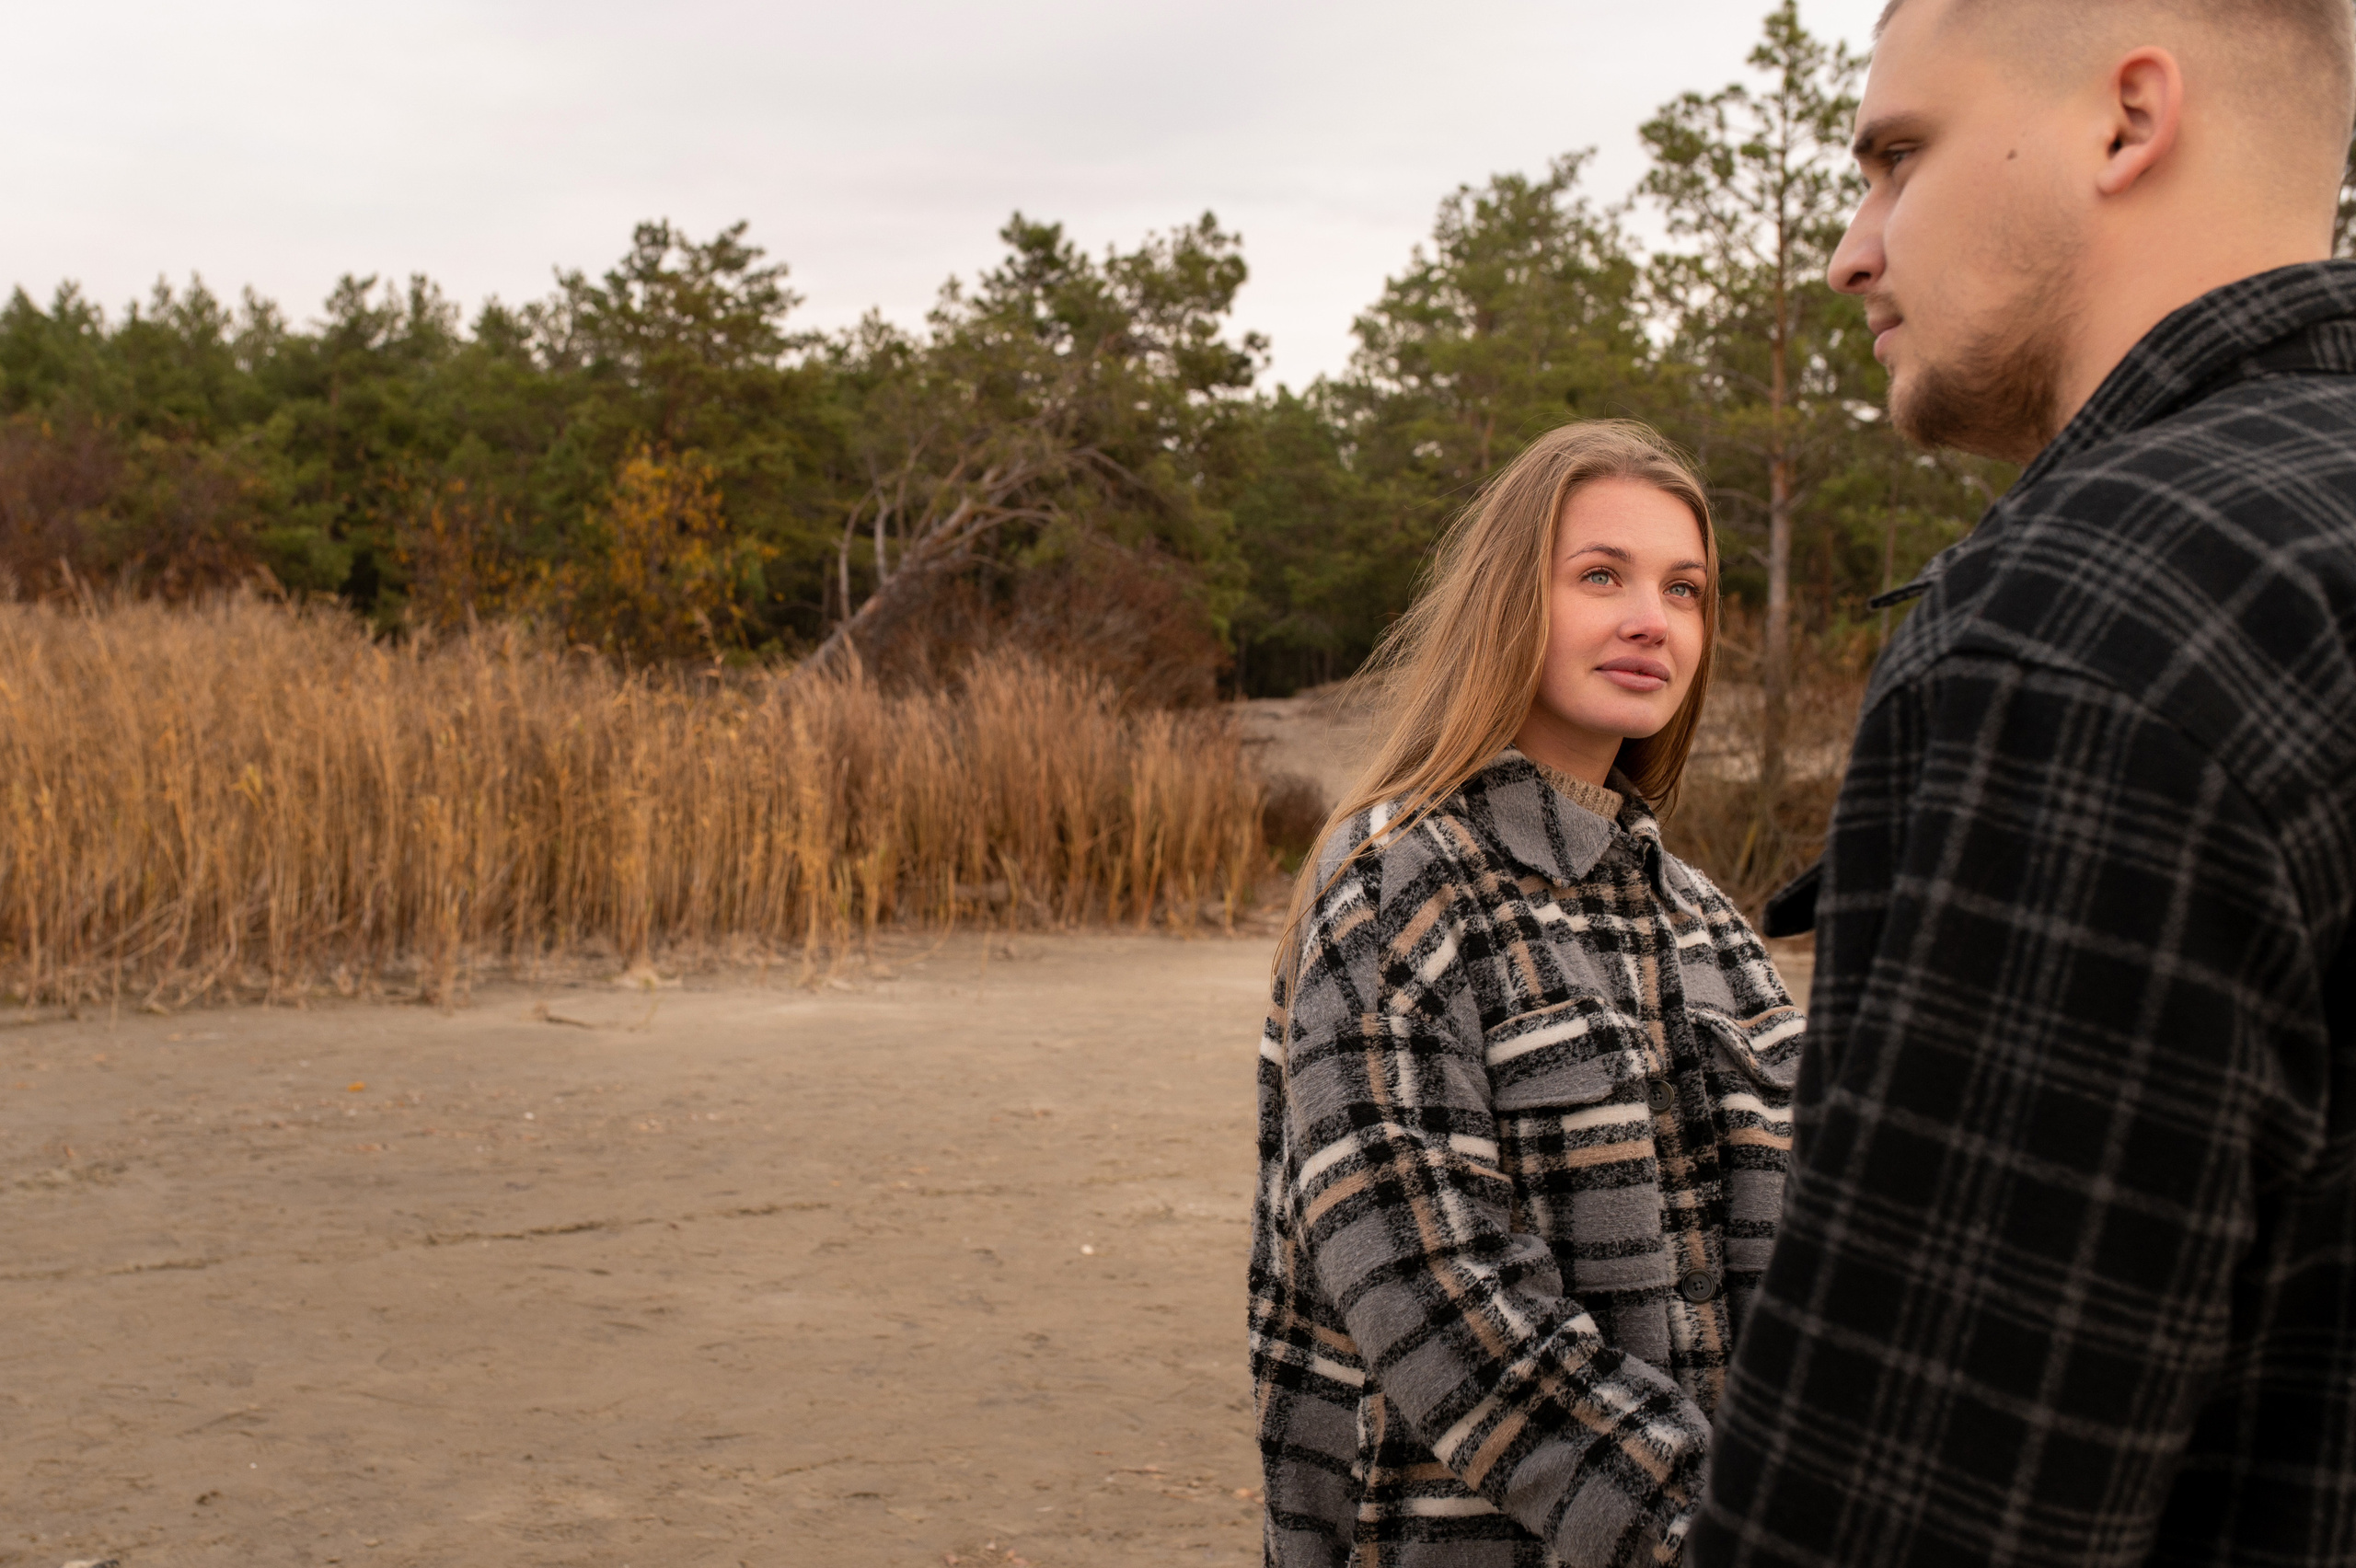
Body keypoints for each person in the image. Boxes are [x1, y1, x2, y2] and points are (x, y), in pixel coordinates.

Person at [1692, 3, 2356, 1565]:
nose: (1852, 253)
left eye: (1898, 158)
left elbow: (1906, 1504)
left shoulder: (2094, 627)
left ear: (2127, 119)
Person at [1251, 420, 1802, 1567]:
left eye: (1685, 589)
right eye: (1601, 576)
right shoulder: (1396, 886)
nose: (1652, 619)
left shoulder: (1708, 926)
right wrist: (1708, 1526)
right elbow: (1430, 1295)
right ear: (1507, 602)